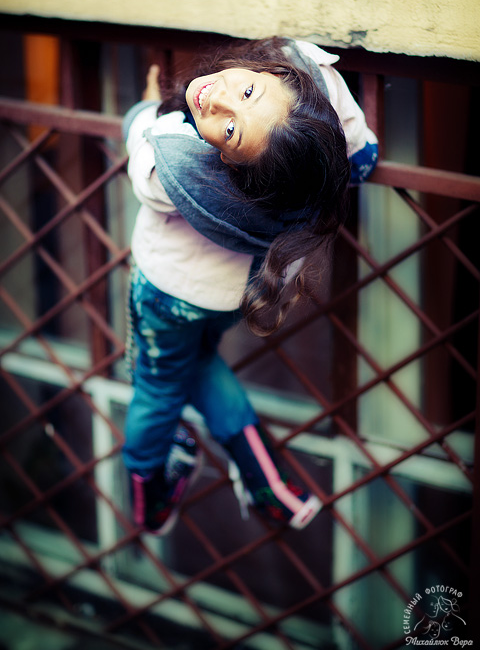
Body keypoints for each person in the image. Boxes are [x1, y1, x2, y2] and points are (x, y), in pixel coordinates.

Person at [122, 36, 378, 536]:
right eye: (248, 93)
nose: (219, 99)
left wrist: (144, 111)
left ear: (234, 169)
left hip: (166, 296)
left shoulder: (176, 164)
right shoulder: (309, 127)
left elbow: (143, 158)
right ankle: (265, 479)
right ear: (282, 76)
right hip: (228, 298)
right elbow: (359, 150)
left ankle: (146, 489)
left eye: (231, 130)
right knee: (197, 362)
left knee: (157, 386)